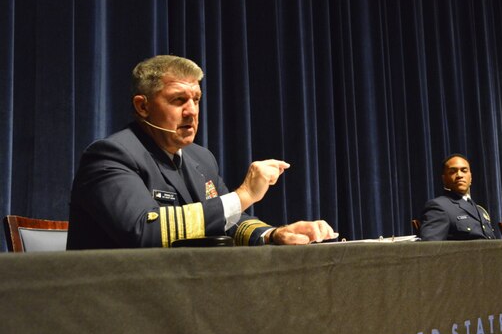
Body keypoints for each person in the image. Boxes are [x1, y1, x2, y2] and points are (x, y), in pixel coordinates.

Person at [68, 55, 337, 249]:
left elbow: (228, 221)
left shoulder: (200, 158)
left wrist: (274, 234)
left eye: (196, 99)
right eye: (178, 100)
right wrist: (243, 195)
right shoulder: (111, 155)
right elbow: (145, 231)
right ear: (142, 106)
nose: (192, 111)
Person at [418, 154, 498, 241]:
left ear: (470, 177)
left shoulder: (479, 209)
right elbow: (430, 247)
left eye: (464, 170)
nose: (459, 175)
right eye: (452, 172)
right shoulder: (439, 206)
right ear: (444, 179)